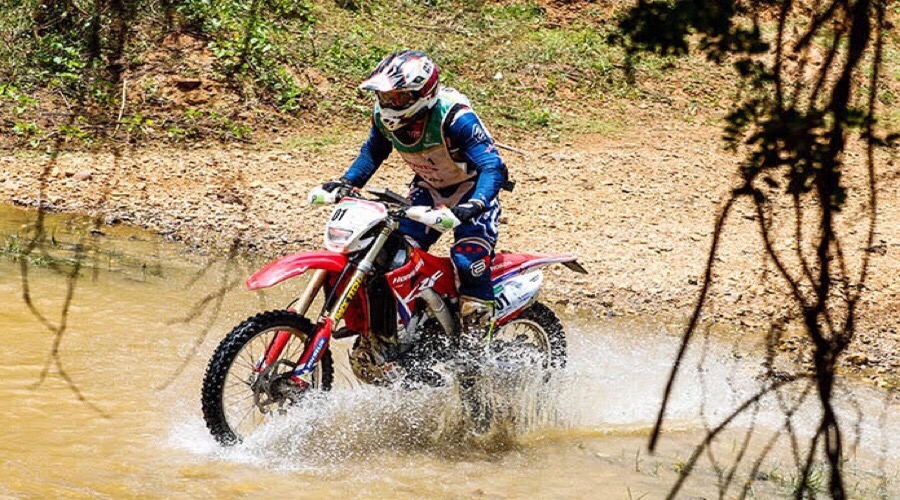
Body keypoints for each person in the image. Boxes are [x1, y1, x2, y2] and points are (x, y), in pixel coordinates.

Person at [309, 49, 509, 346]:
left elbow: (493, 167)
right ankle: (401, 332)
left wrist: (474, 206)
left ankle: (475, 350)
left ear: (422, 94)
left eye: (397, 97)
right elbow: (373, 152)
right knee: (389, 253)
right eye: (386, 97)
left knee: (469, 264)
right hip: (428, 190)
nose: (388, 104)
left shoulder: (455, 117)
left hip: (472, 193)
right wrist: (347, 183)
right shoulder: (382, 117)